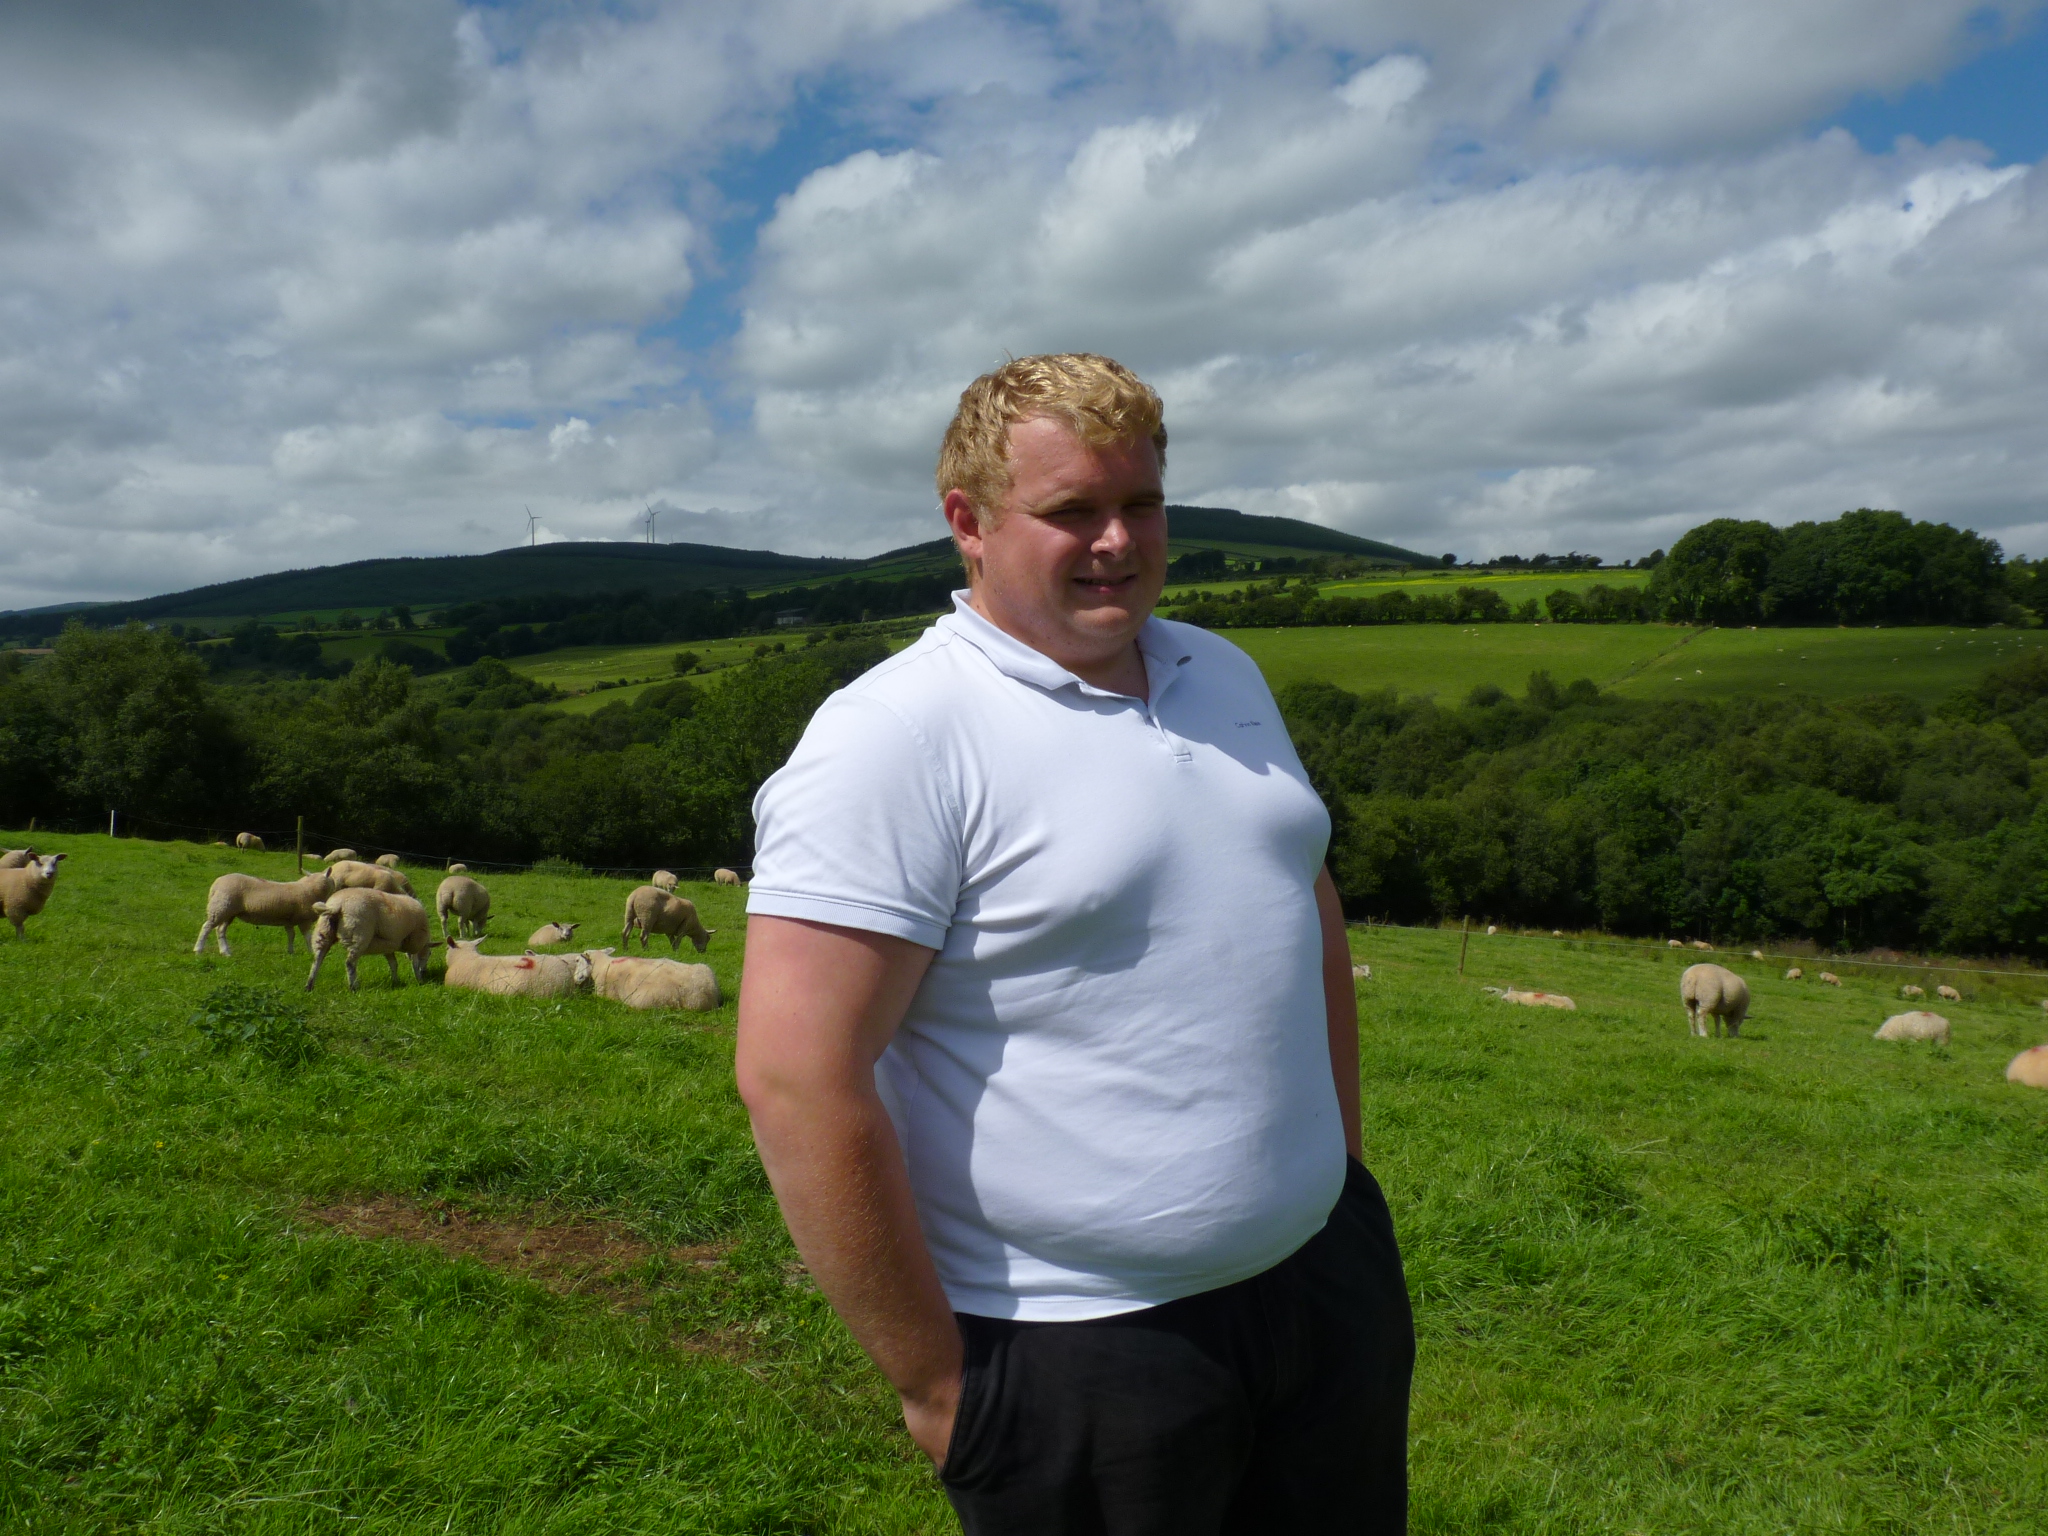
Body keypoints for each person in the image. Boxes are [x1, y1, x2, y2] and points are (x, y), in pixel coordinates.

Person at [735, 353, 1413, 1533]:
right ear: (968, 523)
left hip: (1321, 1286)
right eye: (1071, 511)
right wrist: (938, 1386)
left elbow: (1300, 902)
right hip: (1077, 1348)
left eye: (1140, 503)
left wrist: (1340, 1178)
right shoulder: (895, 737)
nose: (1117, 542)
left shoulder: (1222, 671)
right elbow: (796, 1077)